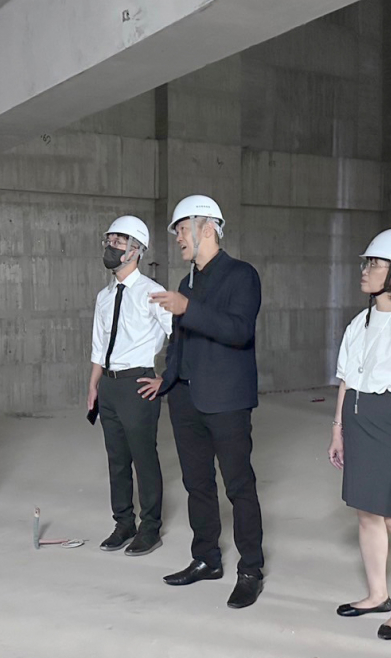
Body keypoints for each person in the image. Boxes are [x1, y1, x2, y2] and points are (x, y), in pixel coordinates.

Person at [138, 195, 265, 609]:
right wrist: (168, 377)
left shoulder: (242, 275)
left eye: (181, 230)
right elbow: (180, 340)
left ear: (206, 228)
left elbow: (238, 331)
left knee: (238, 486)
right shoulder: (186, 282)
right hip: (186, 398)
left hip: (226, 401)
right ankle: (206, 558)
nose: (177, 238)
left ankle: (250, 569)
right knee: (197, 484)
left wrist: (187, 308)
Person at [327, 228, 391, 640]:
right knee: (367, 512)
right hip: (359, 425)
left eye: (375, 263)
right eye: (366, 262)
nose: (365, 270)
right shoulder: (361, 321)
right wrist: (337, 430)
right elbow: (346, 380)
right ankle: (377, 594)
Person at [88, 215, 172, 556]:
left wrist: (165, 379)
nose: (111, 246)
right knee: (117, 459)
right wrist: (93, 387)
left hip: (138, 385)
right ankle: (123, 523)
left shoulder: (153, 293)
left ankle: (150, 528)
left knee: (143, 458)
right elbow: (98, 346)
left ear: (136, 250)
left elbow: (179, 335)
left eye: (118, 241)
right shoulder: (104, 296)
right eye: (109, 240)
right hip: (108, 386)